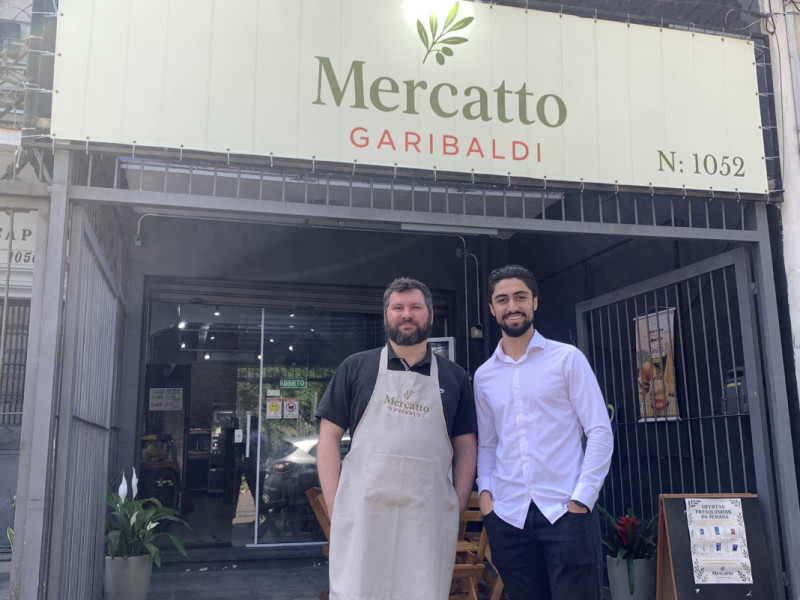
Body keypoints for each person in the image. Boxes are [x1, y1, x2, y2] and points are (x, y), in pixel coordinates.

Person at [316, 277, 478, 600]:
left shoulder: (455, 377)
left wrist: (456, 505)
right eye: (398, 308)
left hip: (427, 521)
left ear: (429, 316)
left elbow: (466, 446)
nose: (407, 314)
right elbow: (328, 438)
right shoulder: (355, 368)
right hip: (363, 519)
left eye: (416, 307)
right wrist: (337, 506)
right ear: (386, 315)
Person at [474, 264, 614, 600]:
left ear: (535, 302)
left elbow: (599, 430)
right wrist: (485, 497)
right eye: (503, 299)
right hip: (508, 515)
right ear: (492, 309)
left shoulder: (567, 360)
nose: (512, 306)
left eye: (520, 297)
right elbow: (488, 445)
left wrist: (583, 498)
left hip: (566, 510)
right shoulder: (484, 376)